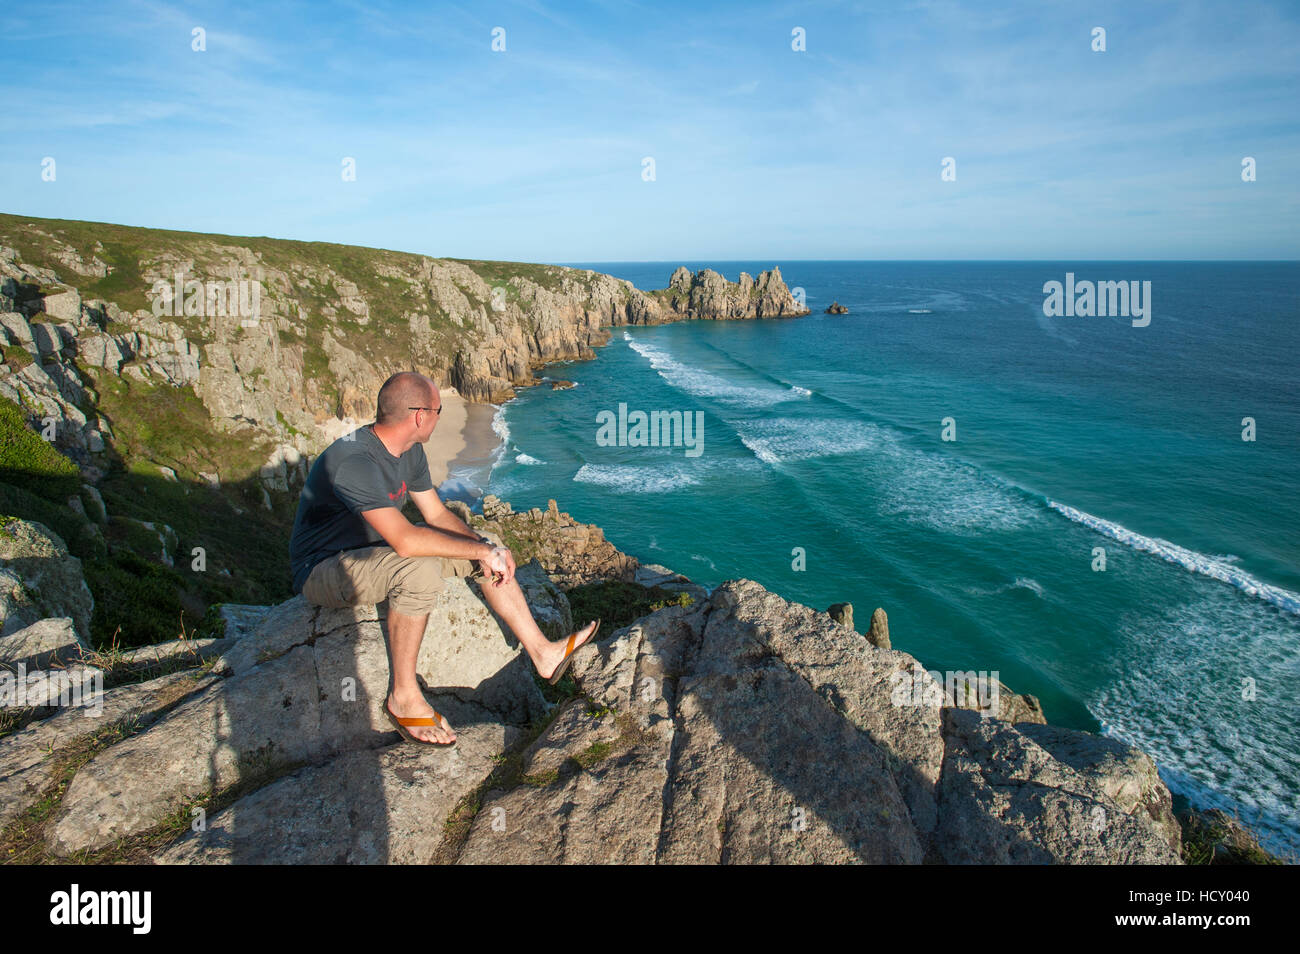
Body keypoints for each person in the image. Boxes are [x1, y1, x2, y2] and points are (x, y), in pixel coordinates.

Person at [288, 371, 599, 746]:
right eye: (437, 410)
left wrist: (487, 548)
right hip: (325, 567)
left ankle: (543, 653)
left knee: (487, 542)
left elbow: (435, 516)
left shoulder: (409, 450)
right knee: (417, 569)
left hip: (375, 552)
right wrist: (481, 550)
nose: (440, 417)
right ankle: (403, 696)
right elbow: (405, 541)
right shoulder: (353, 460)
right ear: (419, 416)